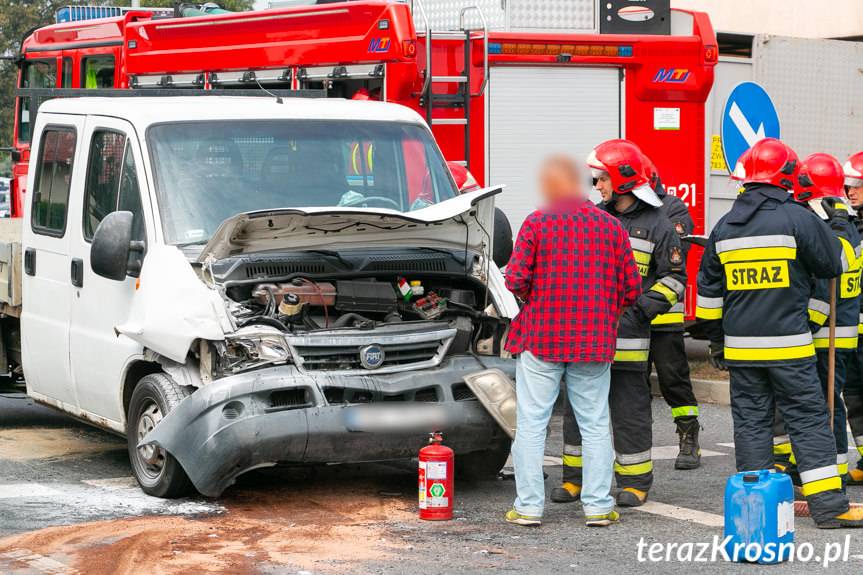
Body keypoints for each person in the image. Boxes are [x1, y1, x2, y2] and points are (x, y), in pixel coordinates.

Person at [696, 138, 863, 528]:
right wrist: (837, 223)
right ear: (787, 176)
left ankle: (758, 509)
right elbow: (832, 265)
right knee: (807, 420)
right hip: (790, 347)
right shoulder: (797, 218)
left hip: (740, 351)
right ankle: (829, 508)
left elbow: (707, 296)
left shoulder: (724, 227)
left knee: (753, 424)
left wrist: (718, 342)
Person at [504, 154, 641, 528]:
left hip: (541, 337)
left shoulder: (536, 223)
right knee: (595, 422)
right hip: (593, 340)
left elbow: (514, 280)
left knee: (532, 423)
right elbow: (632, 288)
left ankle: (528, 508)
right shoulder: (611, 228)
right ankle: (598, 507)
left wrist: (539, 296)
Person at [553, 140, 686, 508]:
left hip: (629, 336)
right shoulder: (596, 217)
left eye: (602, 179)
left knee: (630, 411)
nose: (597, 187)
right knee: (578, 410)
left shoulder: (660, 225)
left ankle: (634, 482)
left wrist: (640, 310)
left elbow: (675, 279)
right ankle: (573, 479)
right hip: (589, 336)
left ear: (624, 180)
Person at [772, 153, 861, 483]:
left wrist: (804, 326)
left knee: (827, 403)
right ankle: (810, 462)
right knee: (814, 403)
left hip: (832, 333)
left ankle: (832, 468)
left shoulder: (842, 228)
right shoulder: (833, 223)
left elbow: (829, 278)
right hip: (825, 330)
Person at [642, 154, 702, 470]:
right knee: (632, 386)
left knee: (674, 380)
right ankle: (635, 446)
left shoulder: (673, 208)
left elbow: (672, 251)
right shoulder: (616, 212)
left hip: (663, 317)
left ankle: (689, 438)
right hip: (629, 320)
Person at [842, 151, 863, 486]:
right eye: (847, 185)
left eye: (858, 185)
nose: (850, 191)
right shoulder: (850, 224)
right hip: (853, 330)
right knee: (855, 393)